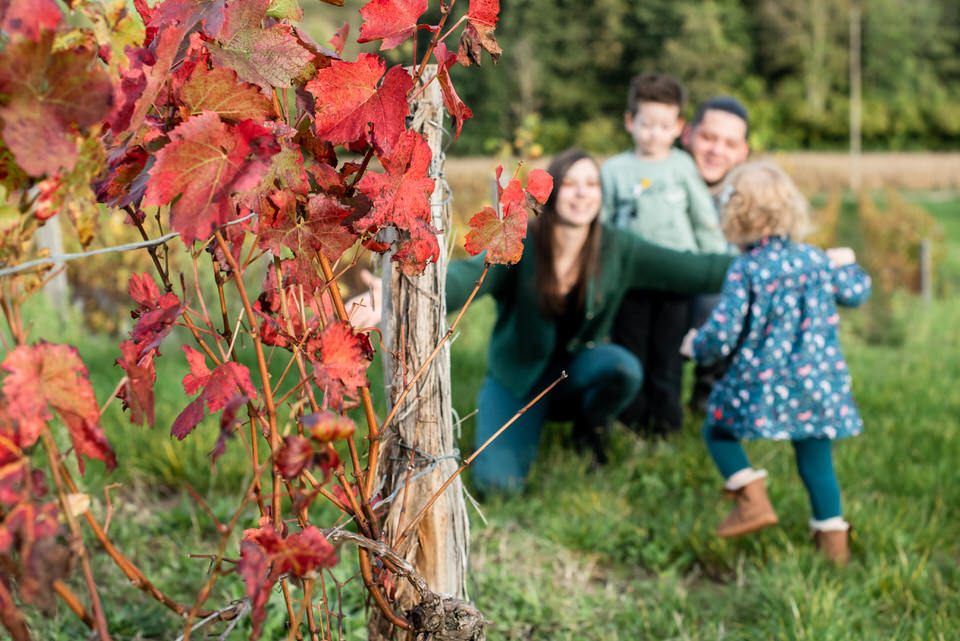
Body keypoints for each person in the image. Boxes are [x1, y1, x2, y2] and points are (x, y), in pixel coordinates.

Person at [350, 149, 736, 492]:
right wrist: (397, 296)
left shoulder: (619, 246)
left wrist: (761, 265)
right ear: (549, 193)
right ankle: (525, 424)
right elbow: (465, 279)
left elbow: (695, 270)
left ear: (601, 195)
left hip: (578, 370)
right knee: (498, 485)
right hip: (518, 378)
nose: (582, 193)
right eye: (569, 183)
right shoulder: (521, 242)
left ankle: (590, 430)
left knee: (624, 369)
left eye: (591, 184)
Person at [680, 161, 870, 564]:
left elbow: (722, 334)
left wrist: (695, 346)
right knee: (817, 461)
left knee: (717, 427)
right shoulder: (816, 260)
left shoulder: (746, 269)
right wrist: (847, 261)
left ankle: (751, 499)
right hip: (818, 385)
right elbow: (856, 292)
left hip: (761, 384)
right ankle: (834, 549)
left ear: (734, 215)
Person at [601, 73, 728, 437]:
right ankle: (631, 422)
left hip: (677, 281)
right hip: (631, 284)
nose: (654, 133)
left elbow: (703, 219)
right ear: (630, 122)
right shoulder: (614, 171)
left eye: (663, 126)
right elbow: (603, 226)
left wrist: (715, 264)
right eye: (646, 124)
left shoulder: (682, 167)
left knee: (668, 357)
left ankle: (665, 427)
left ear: (678, 127)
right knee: (632, 352)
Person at [681, 96, 752, 412]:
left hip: (721, 307)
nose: (716, 151)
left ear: (742, 152)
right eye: (708, 138)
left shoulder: (749, 200)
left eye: (729, 143)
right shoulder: (659, 183)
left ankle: (713, 395)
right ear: (687, 135)